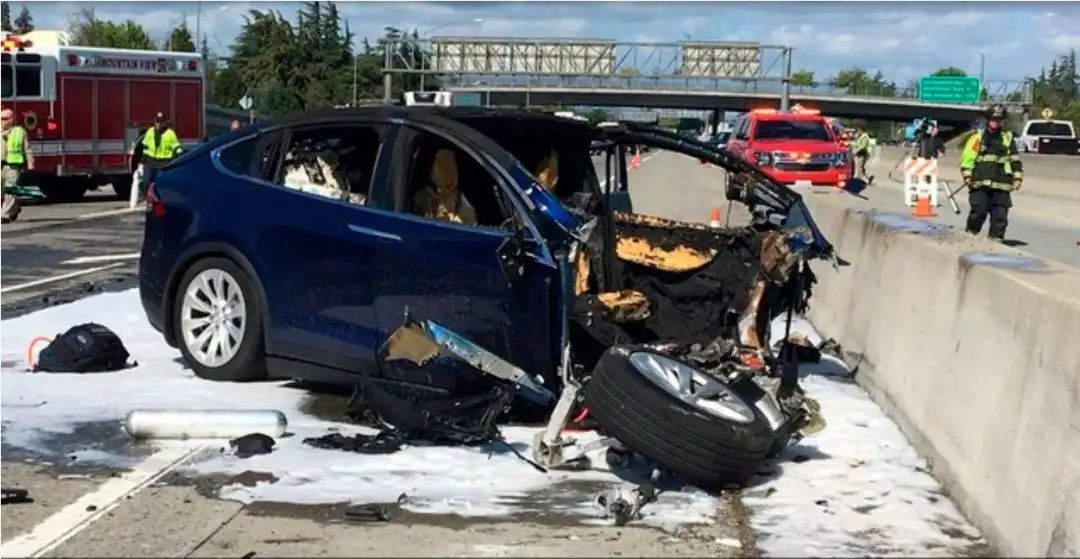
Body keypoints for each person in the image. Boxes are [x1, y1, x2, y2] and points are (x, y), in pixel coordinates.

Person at [960, 104, 1023, 242]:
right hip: (979, 182)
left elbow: (1014, 158)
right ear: (988, 119)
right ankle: (969, 237)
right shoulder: (977, 137)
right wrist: (967, 175)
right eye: (993, 119)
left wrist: (1018, 177)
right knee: (978, 212)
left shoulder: (1007, 138)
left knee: (1000, 217)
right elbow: (967, 158)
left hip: (1002, 183)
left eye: (999, 119)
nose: (996, 122)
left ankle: (995, 242)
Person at [411, 148, 477, 226]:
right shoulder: (421, 196)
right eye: (442, 167)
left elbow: (470, 224)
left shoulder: (459, 199)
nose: (447, 175)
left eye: (450, 167)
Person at [138, 112, 183, 201]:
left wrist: (179, 158)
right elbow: (145, 147)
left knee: (162, 182)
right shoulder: (150, 132)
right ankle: (143, 196)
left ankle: (163, 198)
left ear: (164, 123)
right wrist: (143, 160)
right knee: (146, 180)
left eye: (160, 122)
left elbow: (177, 148)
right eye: (157, 122)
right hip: (150, 159)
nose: (158, 124)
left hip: (164, 161)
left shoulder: (170, 134)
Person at [2, 108, 33, 223]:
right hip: (1, 166)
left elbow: (27, 148)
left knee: (9, 190)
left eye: (5, 119)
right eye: (1, 119)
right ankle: (14, 209)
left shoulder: (19, 132)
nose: (2, 121)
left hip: (14, 166)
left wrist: (30, 163)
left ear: (11, 119)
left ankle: (4, 215)